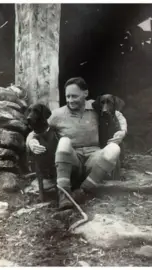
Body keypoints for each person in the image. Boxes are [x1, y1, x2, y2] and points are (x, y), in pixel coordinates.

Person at [26, 77, 127, 210]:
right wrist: (31, 142)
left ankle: (83, 191)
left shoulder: (96, 107)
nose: (70, 100)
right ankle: (64, 194)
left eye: (74, 96)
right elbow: (35, 130)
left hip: (94, 159)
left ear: (85, 94)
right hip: (72, 161)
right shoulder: (58, 114)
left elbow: (118, 115)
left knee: (114, 148)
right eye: (67, 96)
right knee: (64, 141)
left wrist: (122, 132)